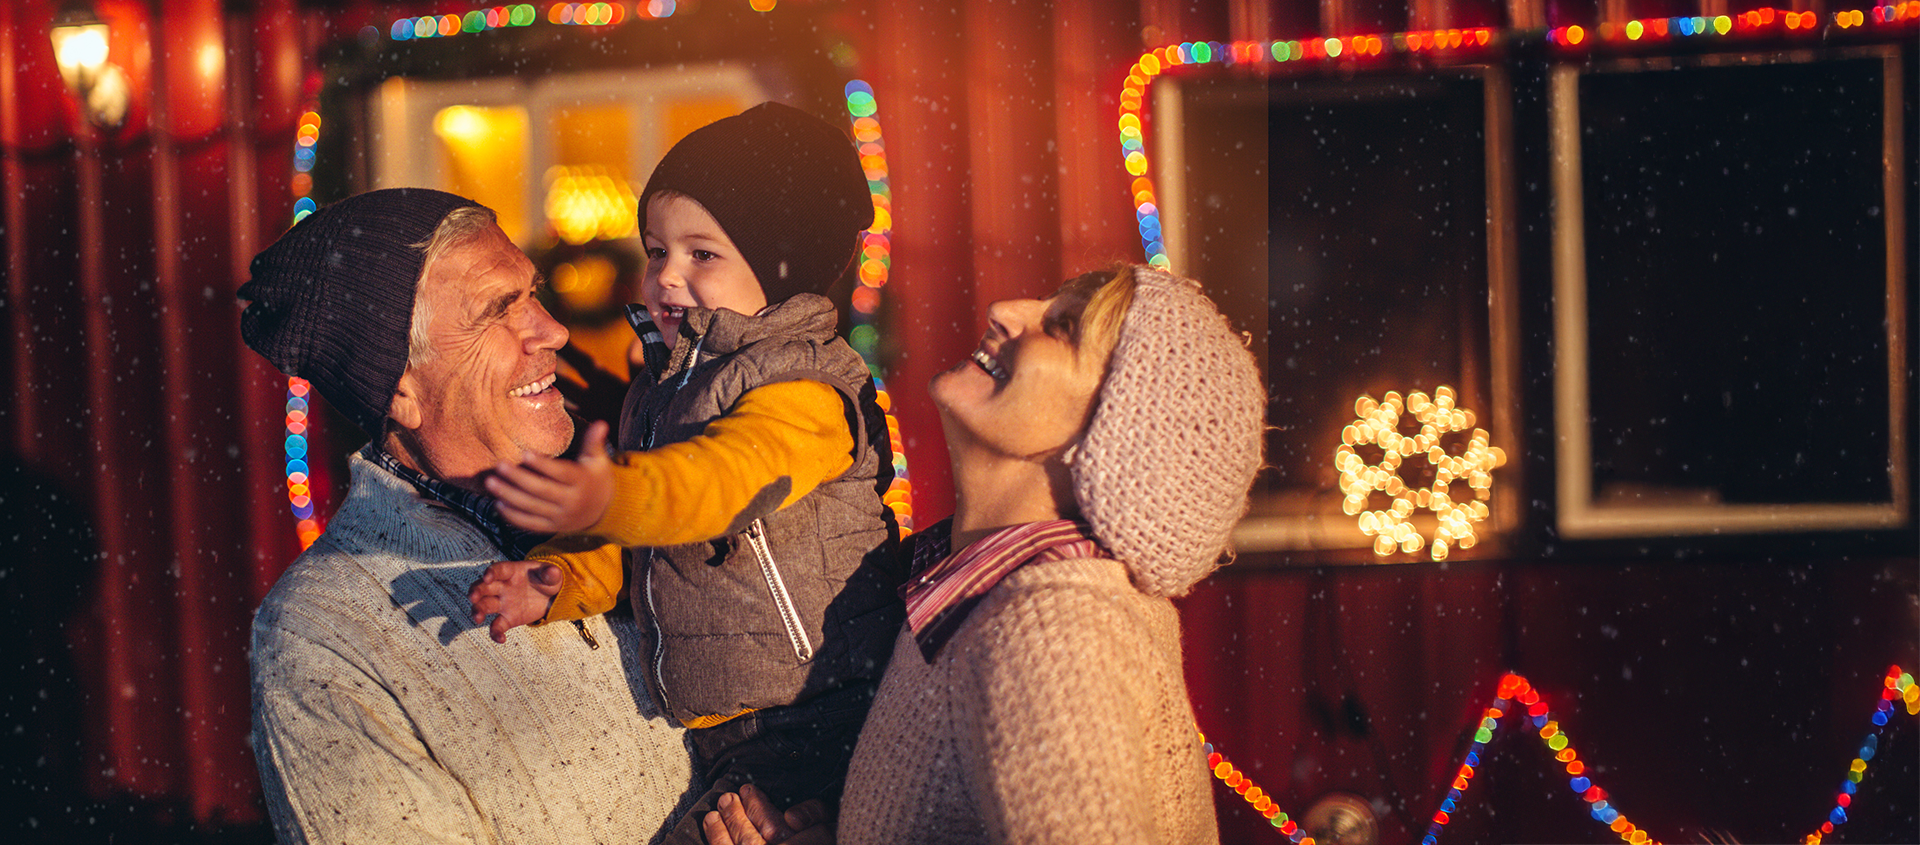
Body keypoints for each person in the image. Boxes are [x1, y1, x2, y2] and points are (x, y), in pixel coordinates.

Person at [465, 102, 904, 844]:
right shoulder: (668, 386)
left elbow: (717, 486)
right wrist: (561, 581)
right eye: (655, 250)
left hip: (817, 712)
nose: (666, 275)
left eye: (702, 254)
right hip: (736, 728)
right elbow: (651, 548)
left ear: (780, 263)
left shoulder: (801, 387)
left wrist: (609, 494)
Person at [707, 264, 1264, 844]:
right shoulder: (999, 600)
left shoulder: (1051, 633)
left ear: (1120, 435)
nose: (1005, 307)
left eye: (1064, 327)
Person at [238, 188, 700, 844]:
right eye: (497, 311)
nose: (552, 330)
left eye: (532, 293)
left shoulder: (636, 484)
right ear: (402, 386)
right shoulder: (324, 635)